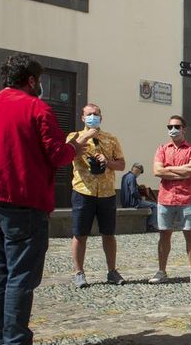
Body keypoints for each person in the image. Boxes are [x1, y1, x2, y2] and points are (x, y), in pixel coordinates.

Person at [0, 54, 94, 345]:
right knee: (21, 276)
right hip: (23, 199)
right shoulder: (38, 108)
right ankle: (15, 339)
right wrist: (74, 146)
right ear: (32, 80)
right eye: (40, 80)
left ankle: (2, 336)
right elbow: (57, 155)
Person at [67, 103, 126, 288]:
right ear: (83, 118)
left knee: (109, 233)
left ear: (101, 117)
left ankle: (112, 271)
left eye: (96, 114)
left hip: (107, 192)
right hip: (83, 191)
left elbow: (122, 164)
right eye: (89, 114)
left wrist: (107, 162)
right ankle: (79, 272)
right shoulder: (74, 137)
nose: (93, 117)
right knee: (80, 233)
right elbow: (67, 155)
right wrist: (86, 135)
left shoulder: (111, 138)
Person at [148, 115, 191, 287]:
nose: (173, 130)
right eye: (170, 127)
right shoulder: (162, 149)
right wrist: (180, 172)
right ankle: (162, 271)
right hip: (165, 199)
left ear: (184, 129)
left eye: (177, 127)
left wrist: (168, 169)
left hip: (187, 198)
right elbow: (157, 171)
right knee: (164, 235)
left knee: (190, 235)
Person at [120, 163, 158, 232]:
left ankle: (149, 224)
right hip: (133, 203)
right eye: (140, 173)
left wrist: (138, 187)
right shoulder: (132, 177)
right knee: (155, 206)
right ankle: (150, 226)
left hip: (125, 202)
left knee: (150, 204)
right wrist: (141, 198)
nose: (139, 174)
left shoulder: (125, 176)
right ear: (138, 170)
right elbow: (133, 192)